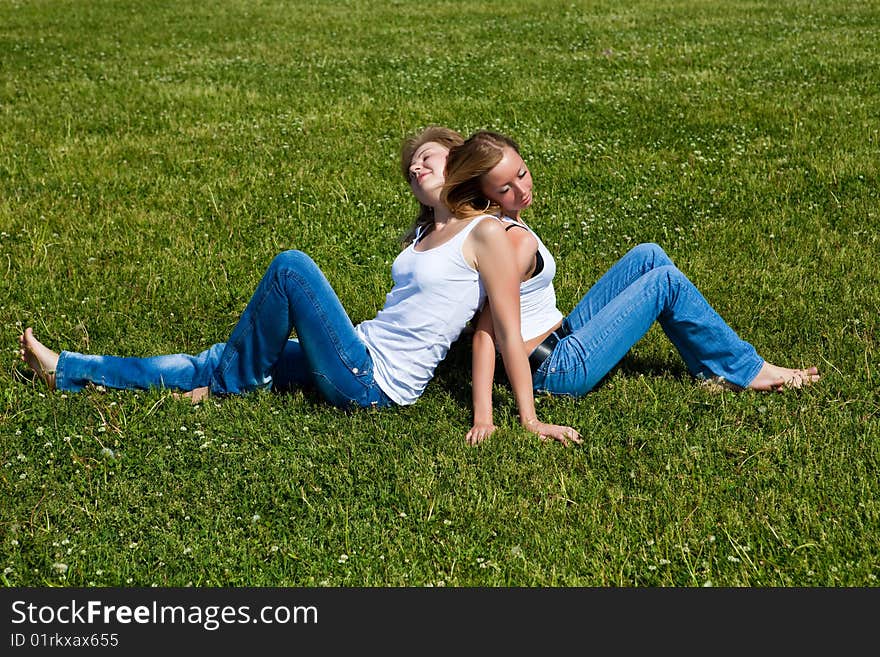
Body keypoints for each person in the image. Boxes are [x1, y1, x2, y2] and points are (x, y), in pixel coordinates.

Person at [18, 127, 580, 444]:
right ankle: (69, 369)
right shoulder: (422, 236)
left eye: (426, 159)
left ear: (458, 163)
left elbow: (503, 330)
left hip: (374, 383)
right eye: (410, 168)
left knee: (292, 268)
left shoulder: (486, 234)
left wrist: (517, 420)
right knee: (212, 358)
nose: (415, 169)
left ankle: (231, 383)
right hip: (356, 351)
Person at [440, 130, 820, 445]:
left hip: (561, 336)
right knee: (665, 282)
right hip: (558, 368)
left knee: (647, 256)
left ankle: (714, 369)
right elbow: (487, 333)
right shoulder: (514, 244)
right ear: (486, 195)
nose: (521, 190)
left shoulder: (504, 223)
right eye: (505, 188)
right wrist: (494, 418)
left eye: (521, 174)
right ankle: (748, 370)